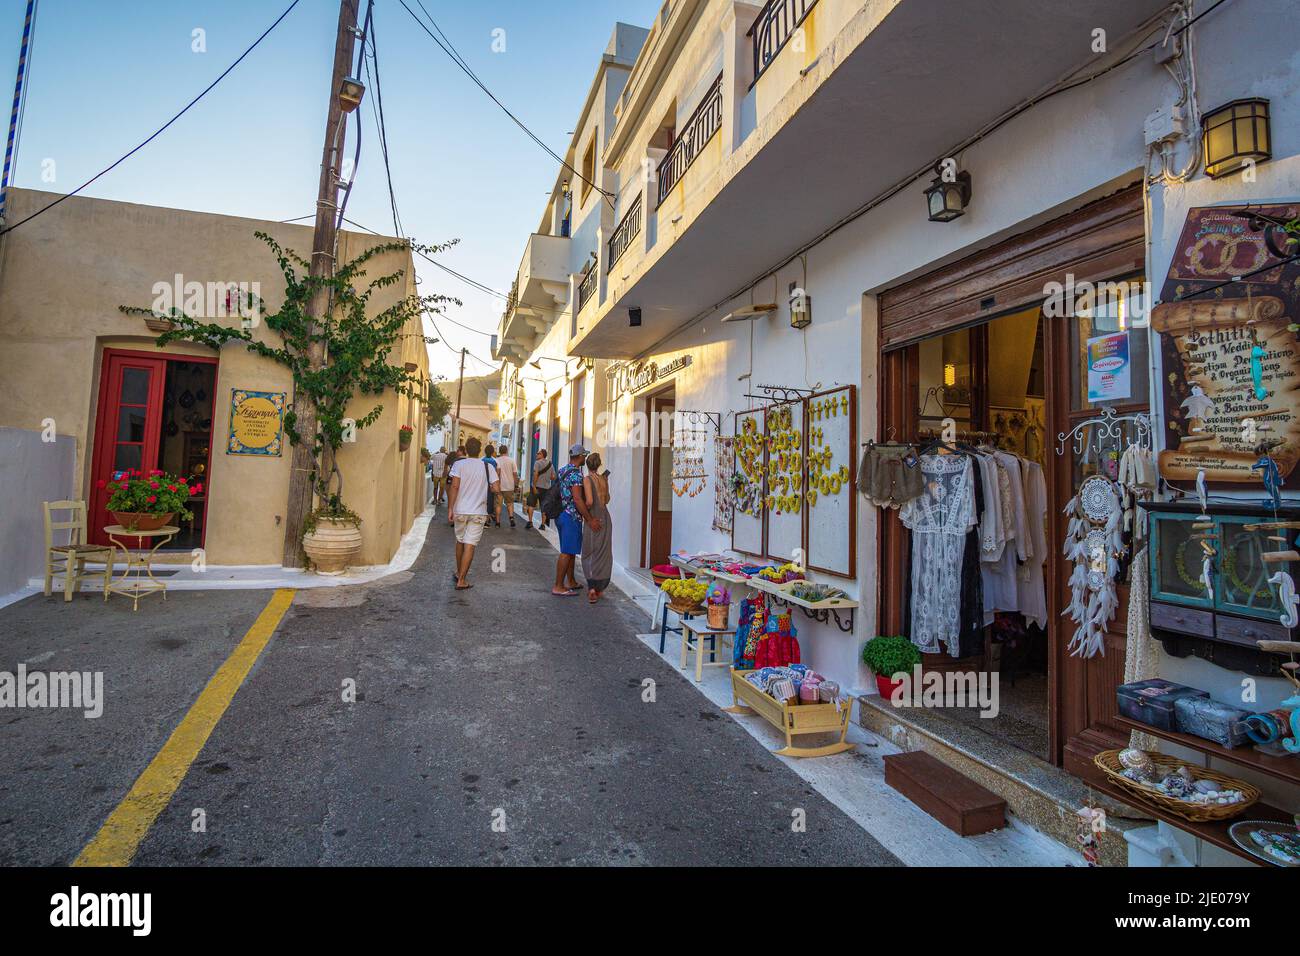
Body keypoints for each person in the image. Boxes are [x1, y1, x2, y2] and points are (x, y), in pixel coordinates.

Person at [447, 436, 499, 591]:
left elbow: (454, 487)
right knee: (470, 544)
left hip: (460, 509)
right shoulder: (487, 467)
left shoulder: (459, 464)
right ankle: (462, 579)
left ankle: (458, 572)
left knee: (460, 541)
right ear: (480, 450)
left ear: (467, 450)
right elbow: (496, 488)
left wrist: (450, 508)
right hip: (478, 511)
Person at [553, 443, 598, 596]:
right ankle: (558, 586)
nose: (585, 457)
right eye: (584, 455)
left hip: (561, 514)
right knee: (566, 551)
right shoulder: (576, 475)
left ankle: (570, 581)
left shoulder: (562, 470)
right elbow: (578, 499)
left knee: (570, 550)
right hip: (570, 516)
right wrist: (590, 519)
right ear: (579, 457)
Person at [580, 452, 613, 604]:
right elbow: (607, 499)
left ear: (587, 465)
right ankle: (600, 587)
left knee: (589, 552)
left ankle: (592, 587)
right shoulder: (603, 479)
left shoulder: (587, 479)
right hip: (605, 518)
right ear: (599, 465)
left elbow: (589, 501)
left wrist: (583, 510)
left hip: (593, 517)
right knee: (603, 553)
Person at [525, 448, 554, 531]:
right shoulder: (550, 464)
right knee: (544, 506)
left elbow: (535, 474)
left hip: (536, 487)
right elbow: (553, 477)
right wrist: (547, 478)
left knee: (531, 504)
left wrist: (534, 486)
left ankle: (530, 522)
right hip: (546, 488)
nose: (536, 454)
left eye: (538, 453)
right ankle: (543, 524)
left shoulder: (537, 463)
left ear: (542, 455)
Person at [494, 444, 519, 529]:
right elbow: (515, 474)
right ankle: (511, 518)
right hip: (509, 486)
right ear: (507, 451)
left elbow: (496, 473)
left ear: (499, 451)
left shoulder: (497, 460)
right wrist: (516, 485)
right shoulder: (512, 461)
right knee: (510, 503)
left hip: (499, 486)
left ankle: (497, 522)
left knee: (498, 505)